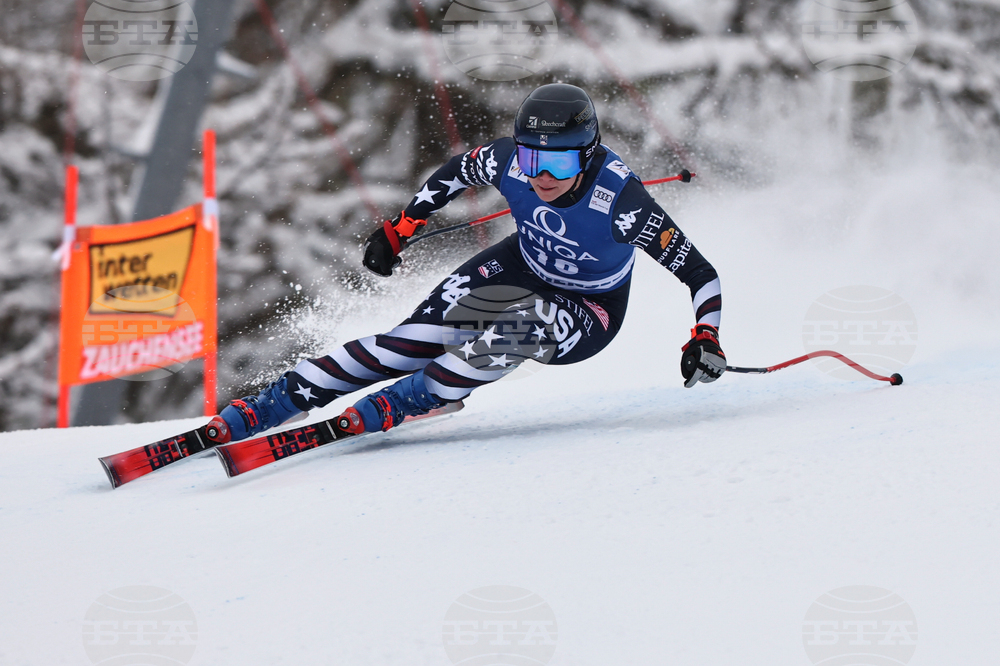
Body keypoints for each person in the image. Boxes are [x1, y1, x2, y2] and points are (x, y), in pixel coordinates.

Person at [205, 83, 726, 444]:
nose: (542, 176)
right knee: (411, 343)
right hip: (521, 264)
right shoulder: (509, 162)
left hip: (590, 306)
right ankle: (275, 402)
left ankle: (414, 398)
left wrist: (706, 336)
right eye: (532, 158)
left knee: (525, 325)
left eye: (559, 162)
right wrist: (402, 227)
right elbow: (456, 172)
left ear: (587, 156)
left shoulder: (624, 205)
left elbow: (700, 274)